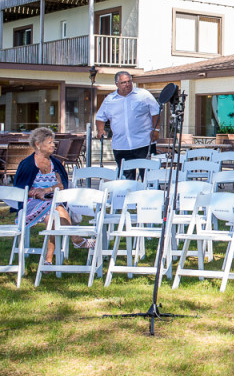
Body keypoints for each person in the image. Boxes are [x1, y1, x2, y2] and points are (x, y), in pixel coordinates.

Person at [13, 127, 94, 266]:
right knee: (56, 211)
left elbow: (61, 186)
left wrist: (47, 190)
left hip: (52, 202)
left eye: (53, 142)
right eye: (49, 142)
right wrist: (35, 192)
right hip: (31, 204)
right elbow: (20, 190)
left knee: (54, 216)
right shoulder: (27, 164)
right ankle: (76, 240)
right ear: (38, 145)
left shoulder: (55, 163)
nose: (53, 145)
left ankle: (48, 260)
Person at [95, 71, 160, 180]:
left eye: (129, 81)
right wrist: (100, 130)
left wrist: (156, 129)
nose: (127, 84)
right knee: (126, 180)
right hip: (121, 145)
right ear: (117, 84)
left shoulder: (143, 94)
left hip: (144, 143)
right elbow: (100, 117)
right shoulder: (109, 100)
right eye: (124, 82)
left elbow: (156, 111)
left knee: (149, 178)